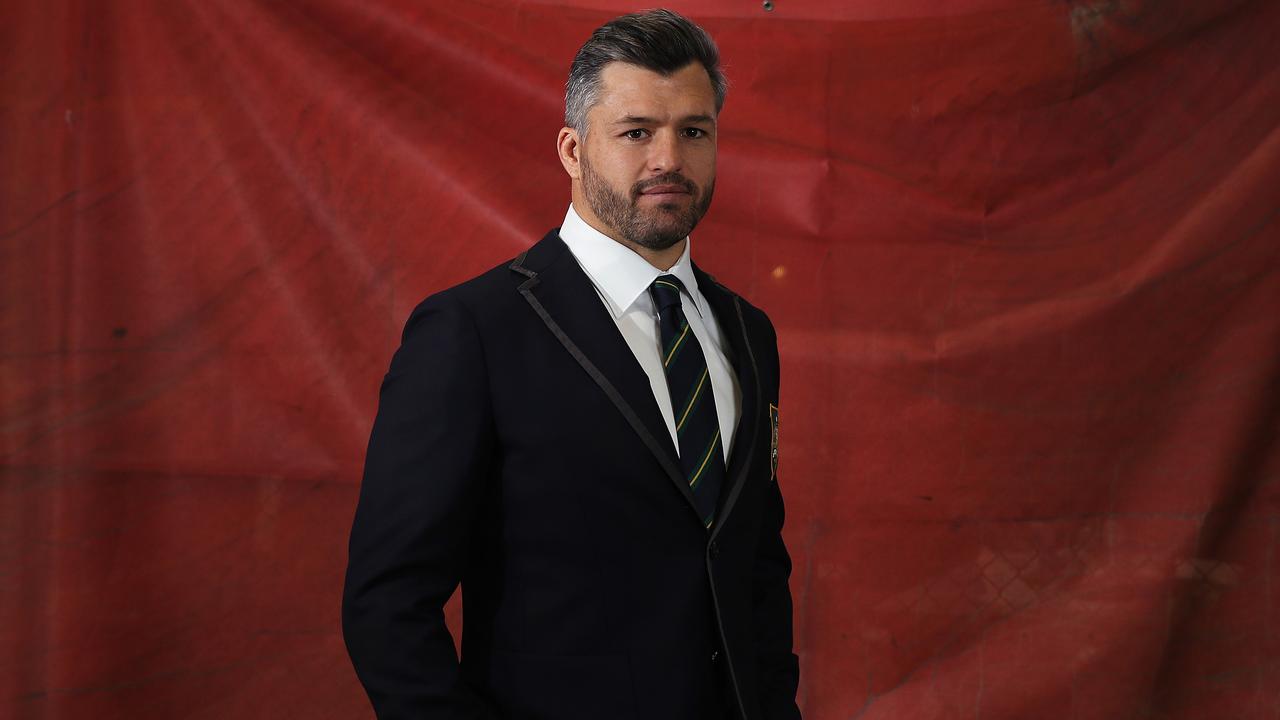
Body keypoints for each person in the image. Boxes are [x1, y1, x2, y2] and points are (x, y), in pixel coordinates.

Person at [342, 9, 801, 719]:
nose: (668, 160)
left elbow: (756, 572)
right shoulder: (472, 332)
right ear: (572, 150)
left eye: (694, 131)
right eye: (636, 132)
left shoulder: (749, 332)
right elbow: (388, 606)